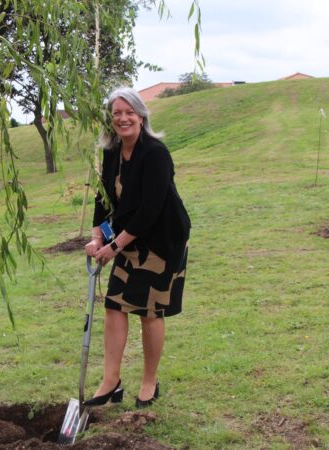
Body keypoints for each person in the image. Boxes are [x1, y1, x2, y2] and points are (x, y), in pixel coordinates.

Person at [84, 86, 190, 408]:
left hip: (161, 240)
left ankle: (149, 382)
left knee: (149, 311)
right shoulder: (111, 153)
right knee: (114, 306)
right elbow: (104, 201)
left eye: (129, 112)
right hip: (126, 239)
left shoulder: (155, 154)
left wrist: (113, 247)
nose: (123, 118)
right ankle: (110, 381)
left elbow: (150, 211)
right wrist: (97, 238)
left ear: (141, 115)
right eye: (117, 113)